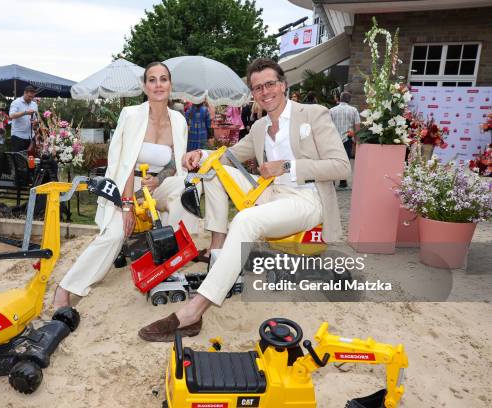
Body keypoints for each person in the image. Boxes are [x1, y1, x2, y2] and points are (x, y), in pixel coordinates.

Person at [138, 58, 350, 342]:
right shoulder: (261, 127)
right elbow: (230, 154)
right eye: (258, 87)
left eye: (270, 84)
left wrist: (287, 166)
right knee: (213, 168)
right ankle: (218, 250)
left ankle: (193, 313)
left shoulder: (313, 114)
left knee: (245, 219)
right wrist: (200, 155)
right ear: (254, 94)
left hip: (306, 198)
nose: (265, 91)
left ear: (283, 85)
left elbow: (341, 166)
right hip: (272, 193)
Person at [52, 62, 194, 309]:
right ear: (144, 86)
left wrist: (159, 180)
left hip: (159, 184)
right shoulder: (131, 115)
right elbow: (124, 162)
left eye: (163, 79)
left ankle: (166, 262)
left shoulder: (179, 120)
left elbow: (174, 162)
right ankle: (66, 287)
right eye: (152, 80)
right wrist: (127, 205)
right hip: (128, 185)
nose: (158, 85)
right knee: (116, 234)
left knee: (185, 192)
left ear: (171, 84)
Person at [329, 91, 360, 188]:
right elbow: (357, 126)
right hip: (348, 138)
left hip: (334, 138)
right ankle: (343, 181)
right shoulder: (353, 110)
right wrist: (357, 140)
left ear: (340, 98)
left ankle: (332, 180)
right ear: (349, 100)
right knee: (345, 159)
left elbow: (328, 125)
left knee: (334, 159)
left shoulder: (332, 110)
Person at [9, 85, 38, 152]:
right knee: (18, 159)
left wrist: (35, 122)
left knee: (30, 159)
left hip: (30, 136)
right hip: (18, 136)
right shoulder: (16, 102)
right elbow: (11, 115)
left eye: (32, 97)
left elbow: (35, 118)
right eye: (29, 96)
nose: (31, 98)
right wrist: (25, 113)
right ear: (25, 93)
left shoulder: (34, 104)